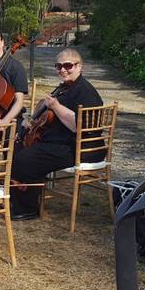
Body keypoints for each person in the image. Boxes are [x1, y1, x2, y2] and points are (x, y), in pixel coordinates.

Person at [10, 47, 104, 220]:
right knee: (17, 147)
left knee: (26, 158)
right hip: (63, 143)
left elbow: (78, 126)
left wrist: (55, 106)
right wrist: (30, 121)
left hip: (81, 148)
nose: (63, 70)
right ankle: (17, 199)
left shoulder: (85, 91)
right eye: (58, 66)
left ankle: (27, 208)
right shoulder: (65, 88)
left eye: (68, 66)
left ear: (79, 66)